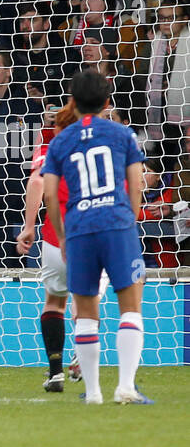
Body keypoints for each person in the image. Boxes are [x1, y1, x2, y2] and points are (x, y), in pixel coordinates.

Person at [42, 70, 151, 404]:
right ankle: (126, 387)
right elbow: (136, 184)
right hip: (116, 224)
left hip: (79, 229)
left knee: (86, 312)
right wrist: (127, 222)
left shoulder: (60, 141)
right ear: (106, 103)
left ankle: (92, 393)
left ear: (72, 102)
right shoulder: (122, 135)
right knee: (130, 307)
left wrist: (62, 236)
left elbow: (48, 195)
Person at [16, 101, 110, 391]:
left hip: (56, 238)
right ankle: (83, 359)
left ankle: (55, 372)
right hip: (96, 233)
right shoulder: (104, 147)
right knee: (87, 302)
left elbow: (35, 182)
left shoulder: (51, 148)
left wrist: (29, 226)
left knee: (55, 300)